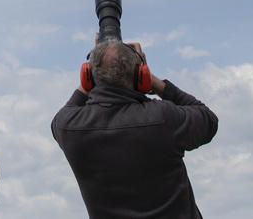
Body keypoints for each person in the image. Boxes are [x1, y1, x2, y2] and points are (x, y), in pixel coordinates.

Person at [51, 39, 218, 218]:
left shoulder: (68, 126)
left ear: (88, 76)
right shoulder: (163, 117)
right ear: (140, 75)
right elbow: (208, 119)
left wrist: (93, 73)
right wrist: (156, 83)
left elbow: (74, 103)